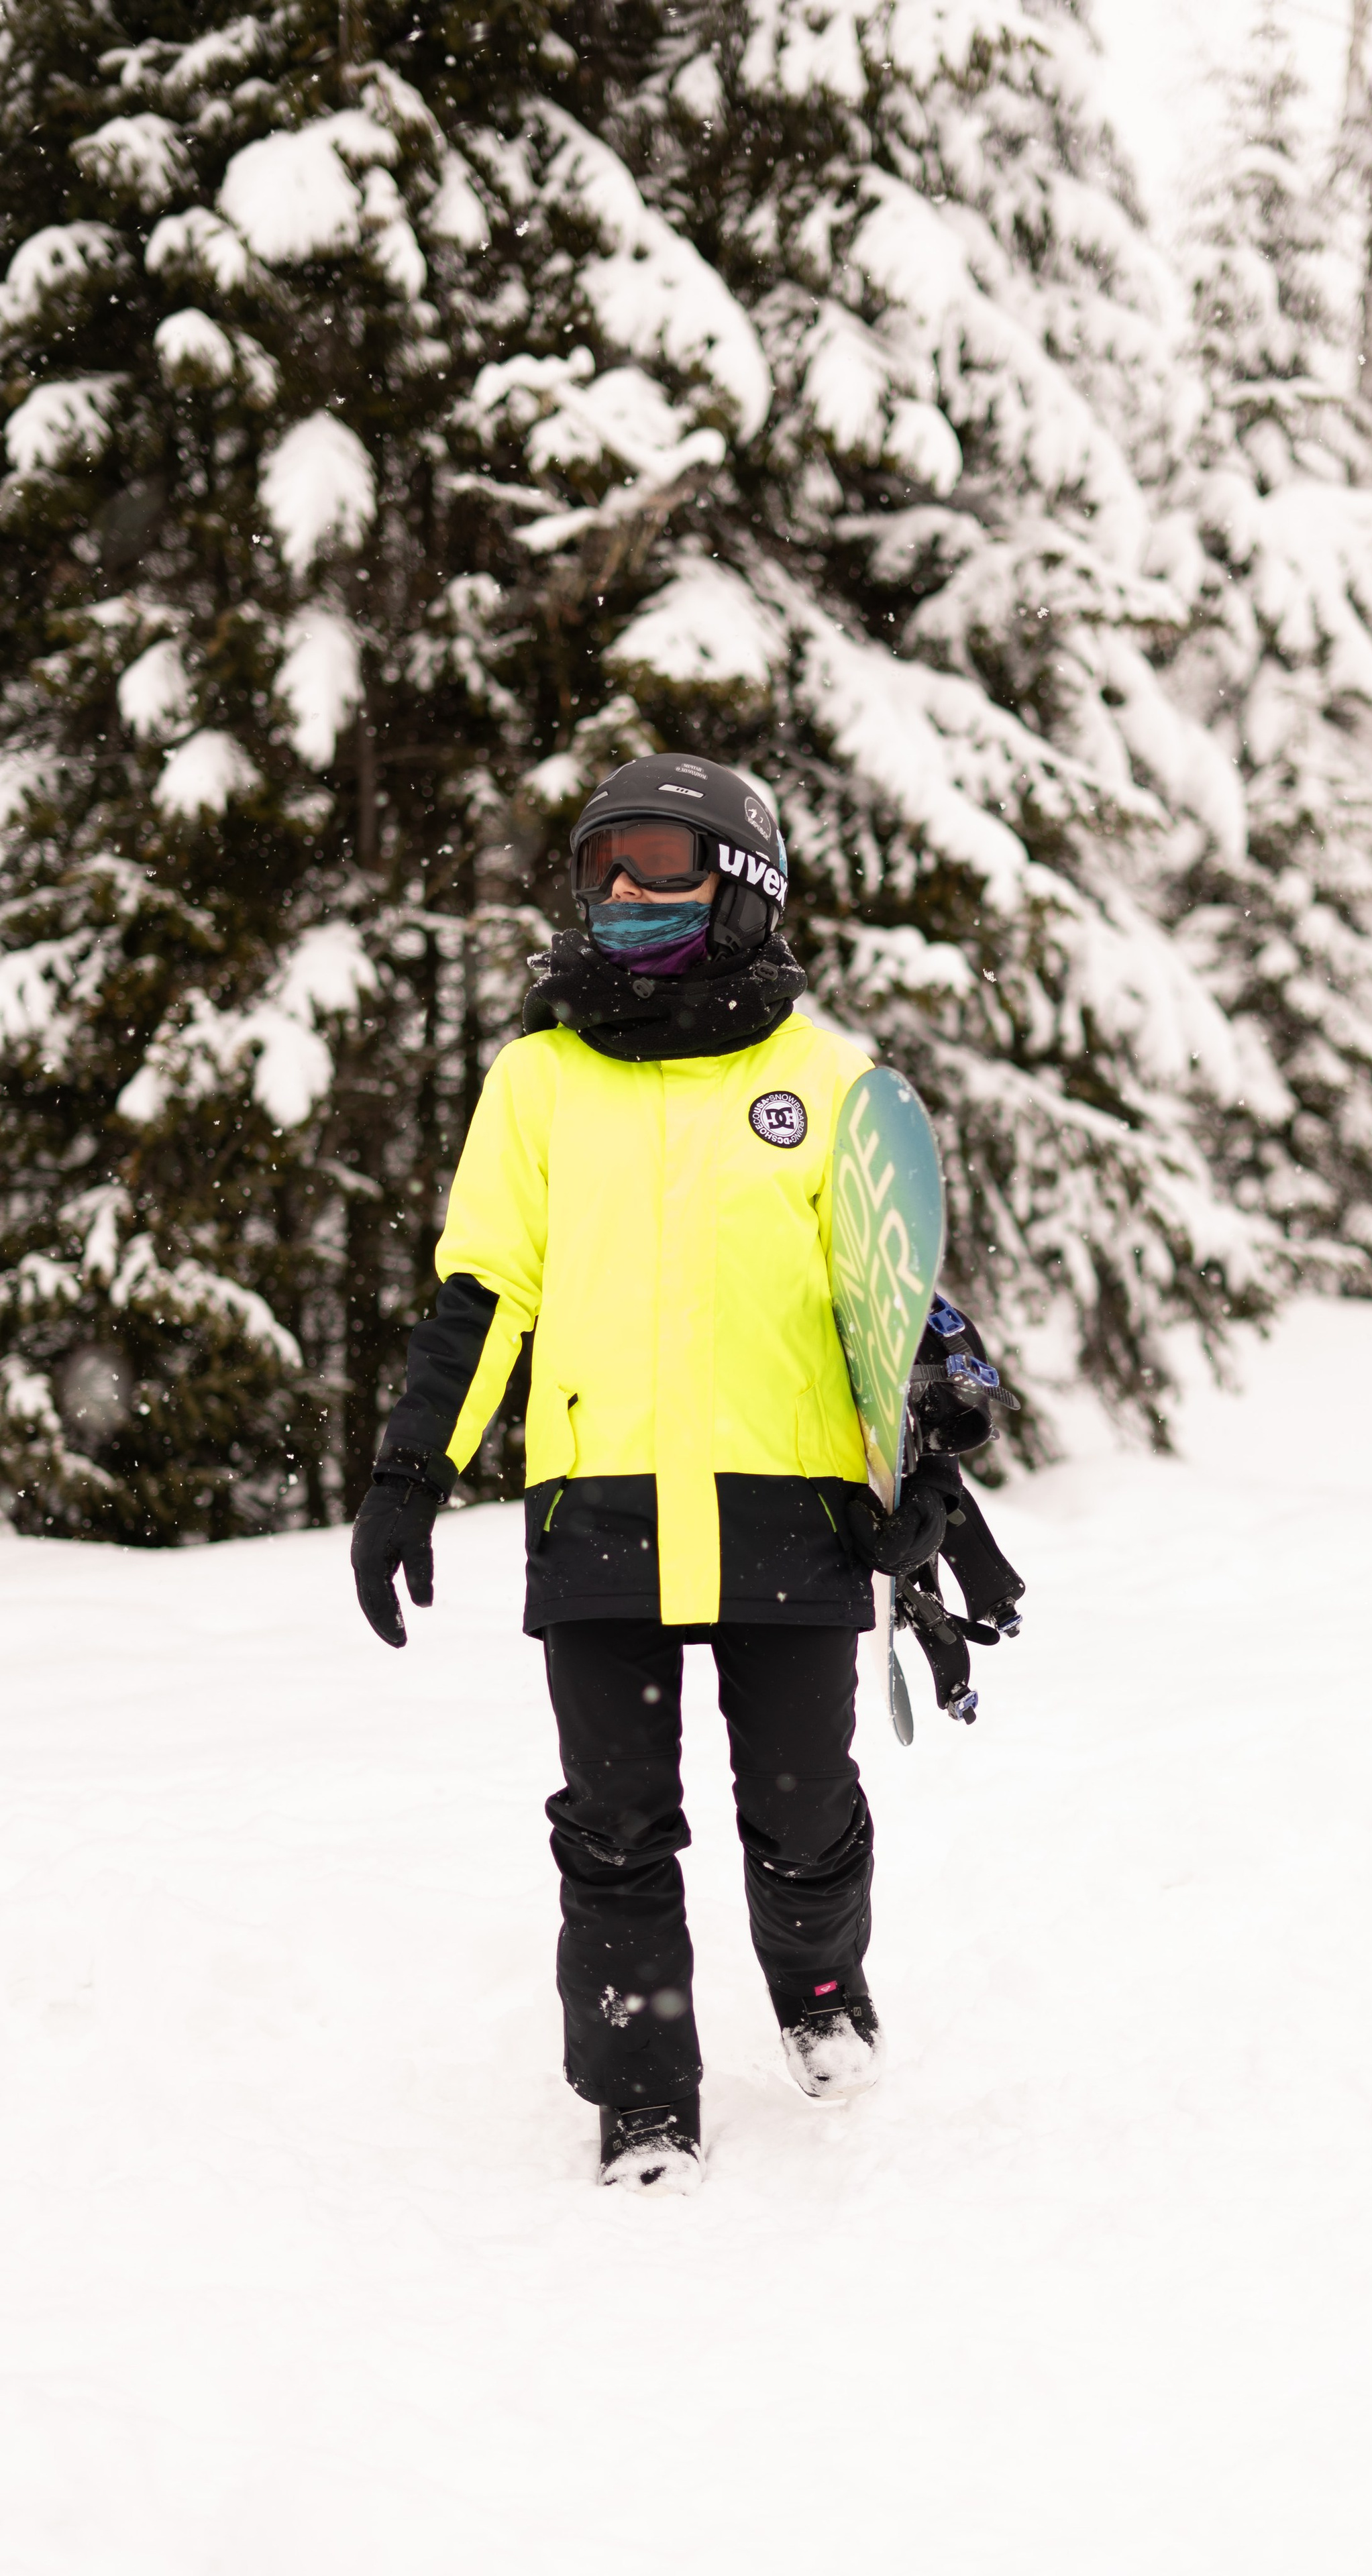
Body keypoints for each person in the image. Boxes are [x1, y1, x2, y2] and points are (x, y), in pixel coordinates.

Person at [348, 755, 967, 2196]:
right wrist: (408, 1472)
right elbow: (485, 1292)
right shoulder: (540, 1081)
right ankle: (641, 2097)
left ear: (743, 885)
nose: (624, 890)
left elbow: (889, 1297)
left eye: (660, 862)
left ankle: (821, 1991)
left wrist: (932, 1433)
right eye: (601, 864)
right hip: (601, 1511)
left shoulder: (825, 1081)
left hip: (790, 1508)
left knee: (802, 1809)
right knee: (612, 1830)